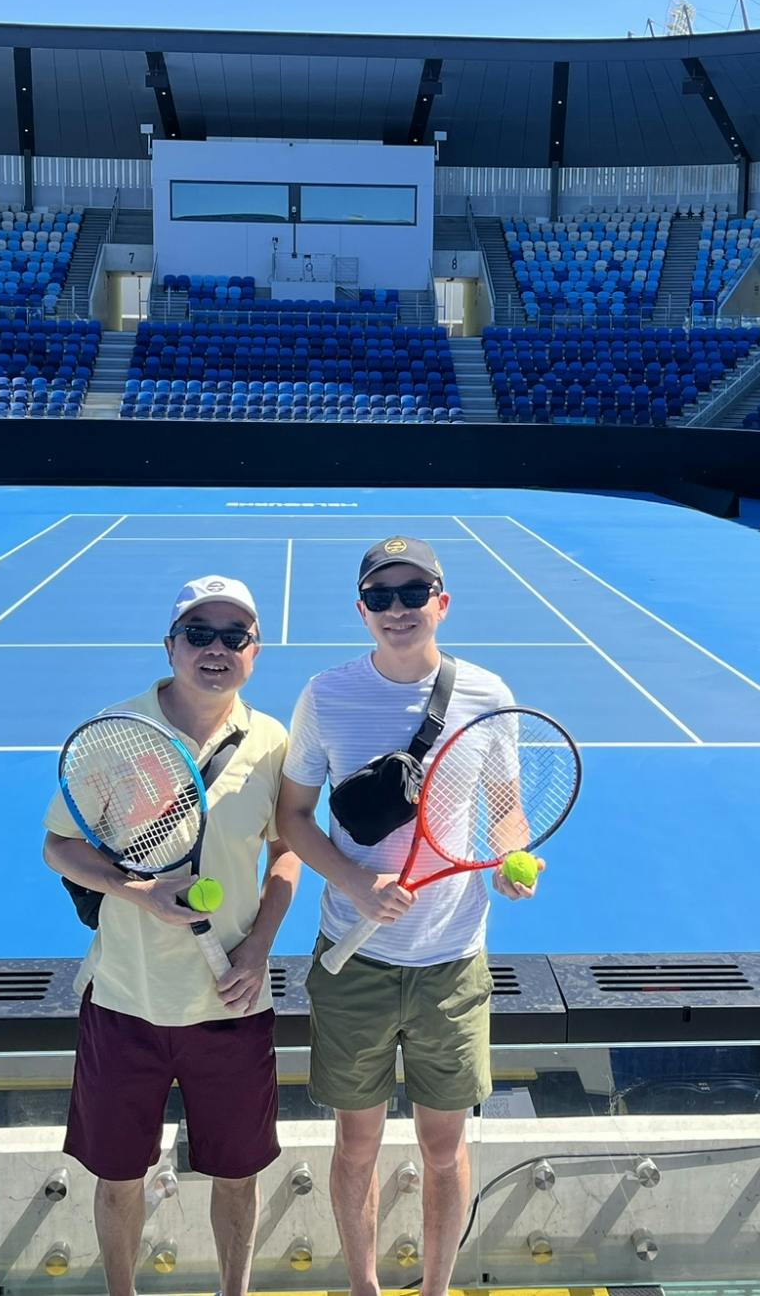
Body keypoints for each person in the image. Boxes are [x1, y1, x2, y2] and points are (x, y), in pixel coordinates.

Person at [276, 537, 539, 1296]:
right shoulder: (326, 696)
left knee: (443, 1147)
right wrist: (357, 883)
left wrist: (515, 860)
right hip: (353, 964)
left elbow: (506, 812)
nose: (398, 609)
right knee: (356, 1145)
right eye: (381, 596)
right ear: (362, 610)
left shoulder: (488, 695)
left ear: (441, 603)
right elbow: (293, 818)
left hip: (453, 962)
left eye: (413, 592)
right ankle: (364, 1287)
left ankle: (432, 1290)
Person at [42, 576, 298, 1296]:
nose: (215, 649)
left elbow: (287, 850)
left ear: (254, 651)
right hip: (127, 999)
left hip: (232, 1002)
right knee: (119, 1177)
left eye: (233, 636)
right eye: (199, 633)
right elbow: (60, 846)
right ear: (171, 645)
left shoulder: (274, 741)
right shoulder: (116, 732)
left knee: (238, 1176)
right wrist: (141, 892)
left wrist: (258, 947)